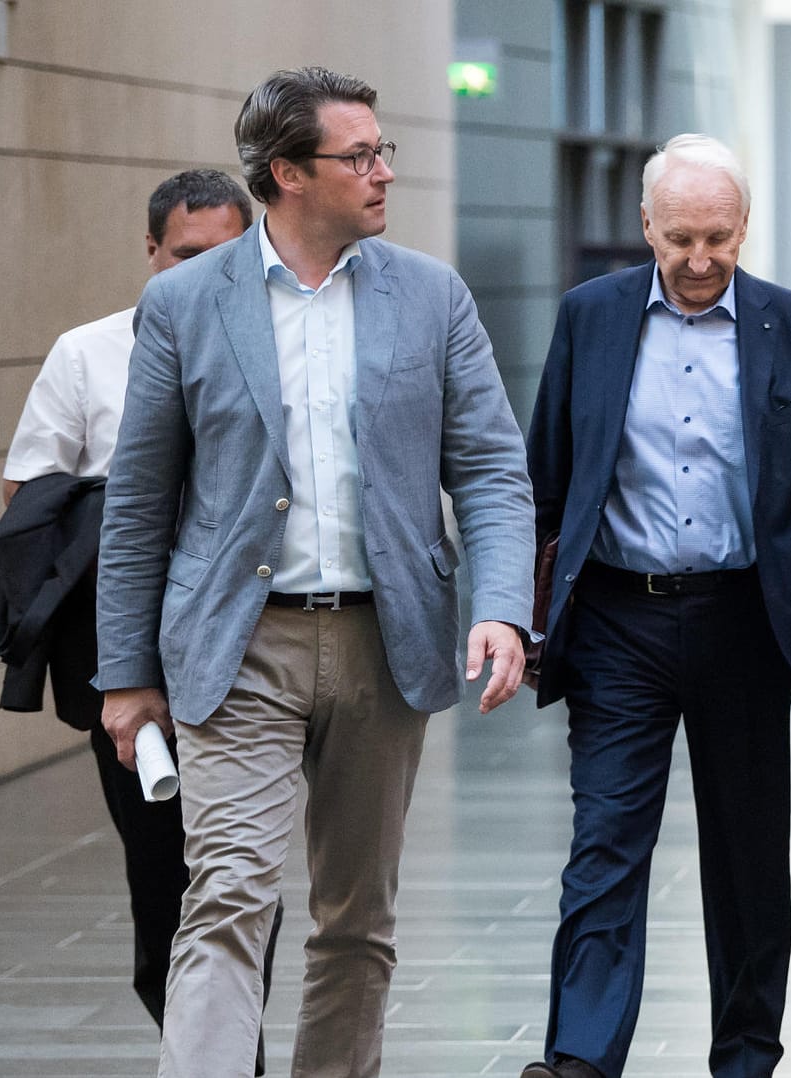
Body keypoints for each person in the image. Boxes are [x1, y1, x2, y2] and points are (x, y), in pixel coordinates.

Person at [95, 67, 535, 1078]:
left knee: (357, 917)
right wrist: (126, 675)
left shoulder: (431, 295)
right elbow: (138, 500)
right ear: (287, 173)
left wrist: (503, 607)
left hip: (387, 643)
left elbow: (490, 470)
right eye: (361, 155)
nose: (384, 172)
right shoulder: (185, 305)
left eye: (385, 150)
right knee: (227, 896)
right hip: (237, 646)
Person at [522, 133, 791, 1078]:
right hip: (620, 619)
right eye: (681, 240)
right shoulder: (591, 318)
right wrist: (520, 614)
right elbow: (543, 481)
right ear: (646, 227)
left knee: (746, 855)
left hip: (747, 620)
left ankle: (744, 1053)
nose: (700, 261)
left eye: (720, 239)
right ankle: (579, 1056)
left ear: (745, 228)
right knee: (605, 841)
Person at [0, 171, 285, 1071]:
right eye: (185, 256)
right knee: (162, 873)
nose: (202, 273)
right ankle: (199, 1037)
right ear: (151, 253)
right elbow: (30, 500)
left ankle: (232, 1049)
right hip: (133, 665)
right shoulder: (88, 355)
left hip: (255, 657)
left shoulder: (280, 344)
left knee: (239, 871)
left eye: (224, 255)